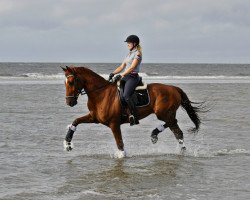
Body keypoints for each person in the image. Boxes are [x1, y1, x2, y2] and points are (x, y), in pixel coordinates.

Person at [109, 35, 142, 126]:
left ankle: (135, 117)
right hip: (126, 77)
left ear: (134, 44)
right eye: (127, 43)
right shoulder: (128, 54)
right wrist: (113, 73)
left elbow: (132, 67)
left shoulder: (138, 54)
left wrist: (121, 75)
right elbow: (122, 66)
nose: (127, 44)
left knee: (126, 95)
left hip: (133, 77)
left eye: (129, 43)